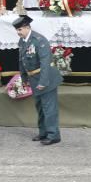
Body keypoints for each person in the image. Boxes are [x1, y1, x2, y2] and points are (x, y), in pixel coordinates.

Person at [13, 14, 61, 144]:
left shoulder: (39, 40)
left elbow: (45, 62)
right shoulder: (22, 41)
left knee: (49, 108)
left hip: (46, 79)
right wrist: (24, 79)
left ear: (27, 27)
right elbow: (21, 60)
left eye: (20, 30)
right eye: (17, 30)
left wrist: (43, 82)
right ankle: (43, 133)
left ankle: (53, 135)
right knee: (40, 107)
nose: (18, 33)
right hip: (34, 79)